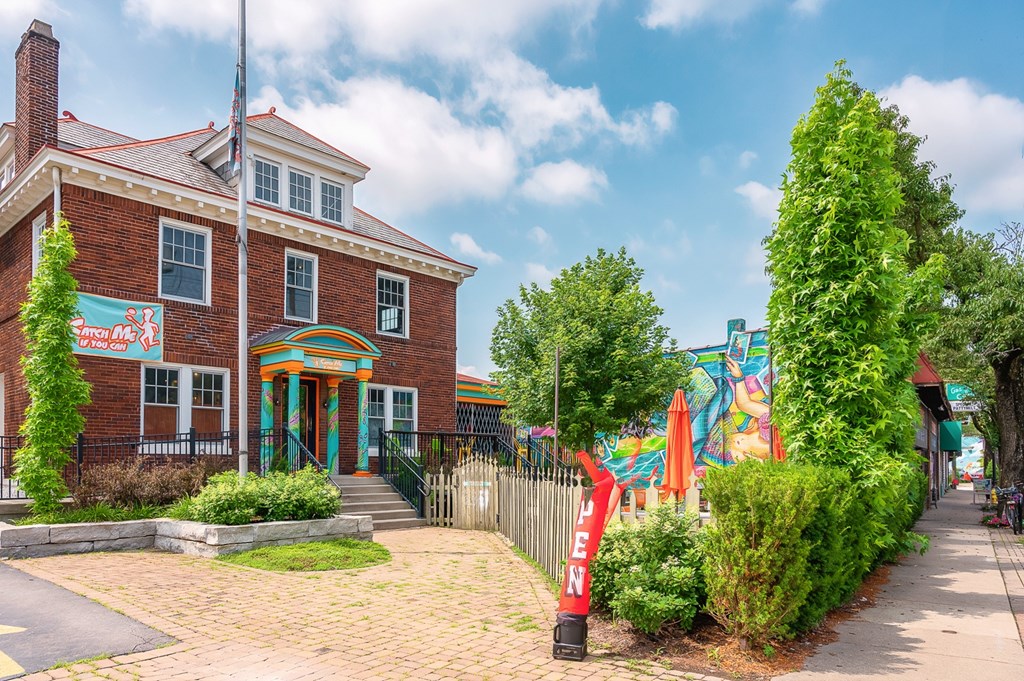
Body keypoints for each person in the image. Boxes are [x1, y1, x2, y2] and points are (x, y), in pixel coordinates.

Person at [724, 356, 771, 461]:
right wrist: (738, 378)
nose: (736, 441)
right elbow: (745, 404)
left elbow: (744, 404)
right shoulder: (770, 421)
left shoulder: (771, 421)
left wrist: (738, 378)